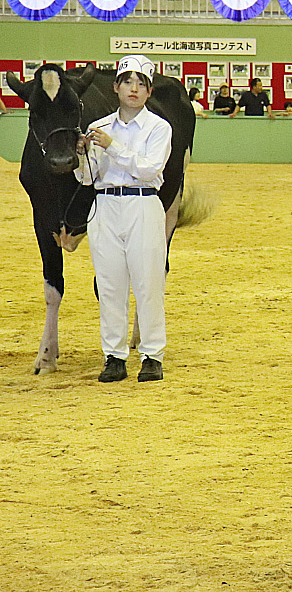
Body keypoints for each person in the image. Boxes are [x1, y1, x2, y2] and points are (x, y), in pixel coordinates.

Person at [75, 54, 171, 382]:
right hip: (104, 207)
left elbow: (149, 169)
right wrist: (81, 155)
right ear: (116, 87)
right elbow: (87, 178)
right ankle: (114, 356)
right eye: (127, 82)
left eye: (141, 84)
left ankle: (152, 355)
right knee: (110, 283)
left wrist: (113, 147)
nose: (133, 89)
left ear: (149, 91)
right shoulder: (97, 128)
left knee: (148, 282)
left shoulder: (159, 128)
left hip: (143, 205)